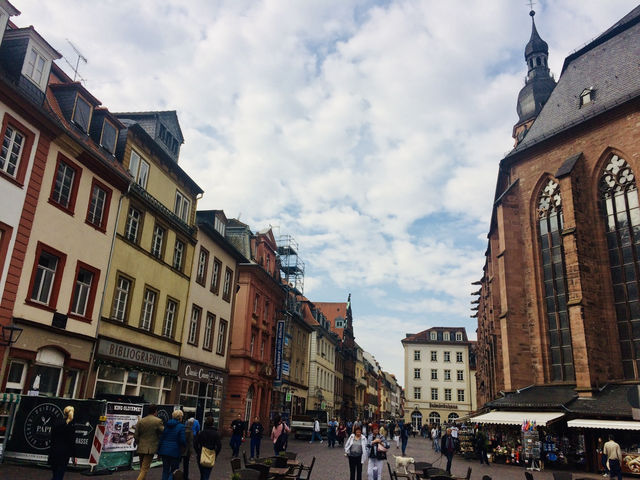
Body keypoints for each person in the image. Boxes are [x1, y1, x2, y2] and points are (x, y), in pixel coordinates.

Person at [134, 404, 165, 480]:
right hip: (150, 448)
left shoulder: (141, 421)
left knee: (142, 468)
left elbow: (136, 435)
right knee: (145, 469)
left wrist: (139, 442)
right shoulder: (158, 421)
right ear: (155, 411)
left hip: (141, 447)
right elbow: (163, 432)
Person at [48, 405, 76, 480]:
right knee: (60, 473)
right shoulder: (71, 425)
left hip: (54, 450)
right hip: (64, 453)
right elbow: (72, 441)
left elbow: (52, 437)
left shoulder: (56, 423)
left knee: (55, 473)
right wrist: (73, 455)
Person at [158, 409, 186, 480]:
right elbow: (182, 440)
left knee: (165, 470)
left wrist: (159, 450)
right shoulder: (181, 427)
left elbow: (162, 438)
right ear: (180, 417)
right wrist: (184, 446)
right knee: (174, 471)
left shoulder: (167, 425)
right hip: (175, 452)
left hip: (164, 450)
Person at [194, 416, 222, 480]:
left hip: (201, 454)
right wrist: (215, 453)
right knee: (207, 474)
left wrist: (198, 452)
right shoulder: (216, 434)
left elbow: (195, 443)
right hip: (211, 454)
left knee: (202, 474)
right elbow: (219, 446)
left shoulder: (202, 432)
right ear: (213, 423)